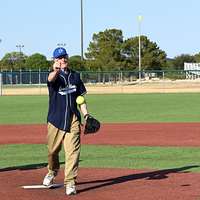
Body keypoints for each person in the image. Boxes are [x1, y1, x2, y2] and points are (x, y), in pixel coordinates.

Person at [43, 47, 89, 195]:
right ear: (55, 60)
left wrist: (86, 115)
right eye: (59, 57)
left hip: (73, 119)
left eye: (64, 57)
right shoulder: (54, 76)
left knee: (73, 152)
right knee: (52, 151)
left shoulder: (75, 76)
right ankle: (52, 170)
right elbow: (50, 79)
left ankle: (70, 182)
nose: (63, 59)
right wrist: (55, 70)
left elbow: (81, 99)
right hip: (55, 120)